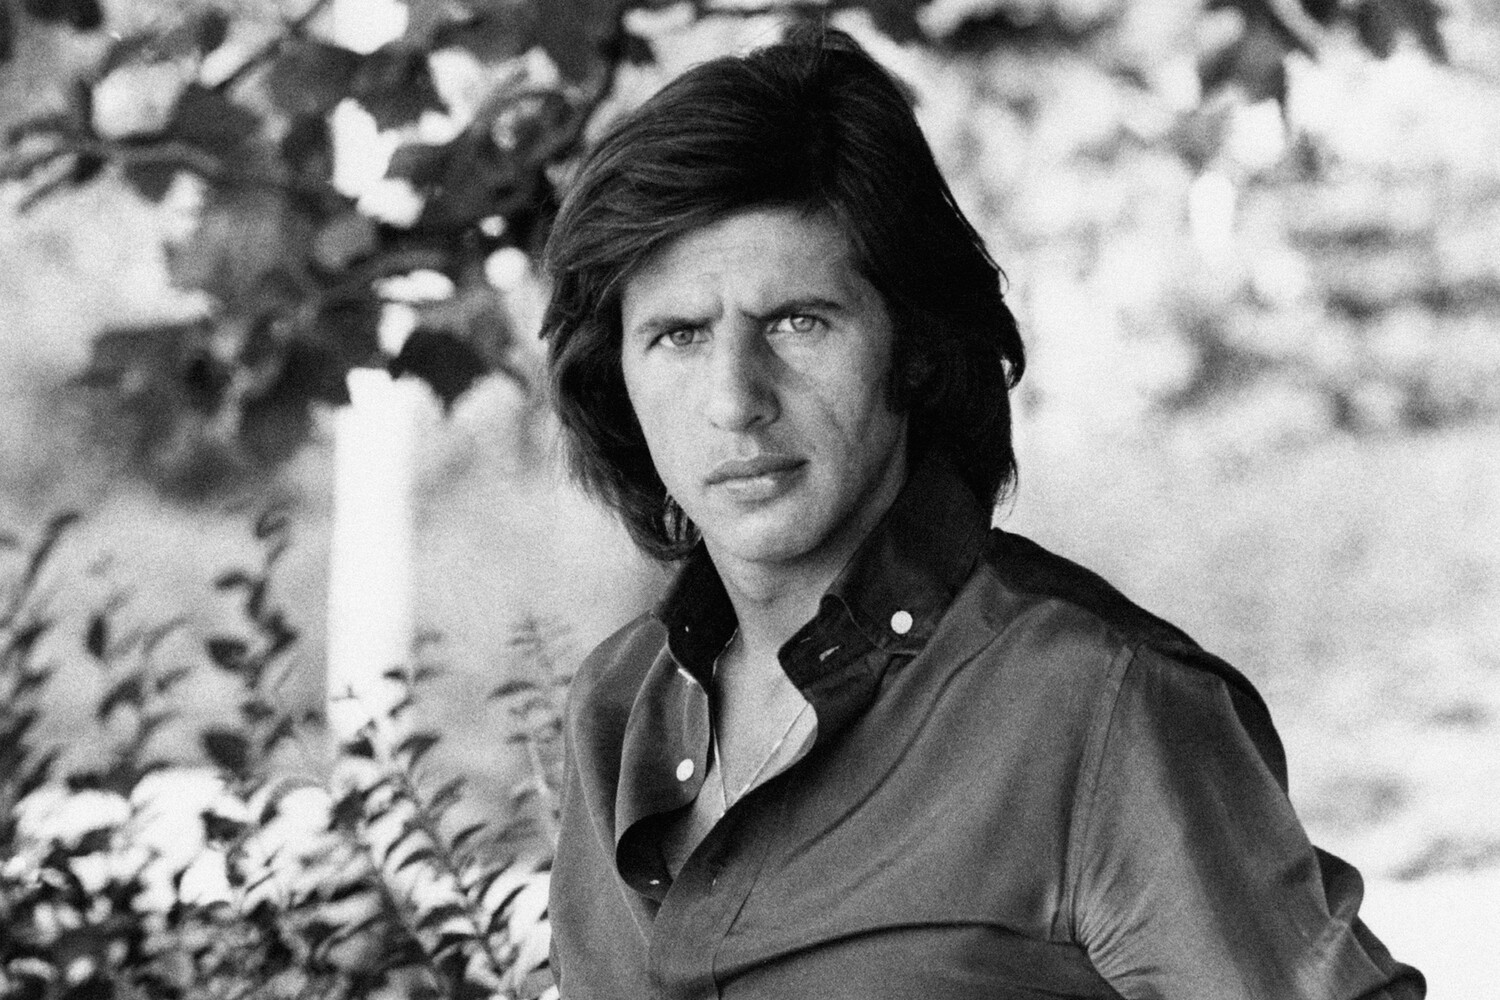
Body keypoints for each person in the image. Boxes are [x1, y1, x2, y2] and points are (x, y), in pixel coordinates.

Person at [538, 24, 1425, 1000]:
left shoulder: (1094, 704)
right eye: (678, 335)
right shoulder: (618, 710)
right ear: (615, 378)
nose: (735, 400)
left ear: (914, 346)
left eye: (797, 321)